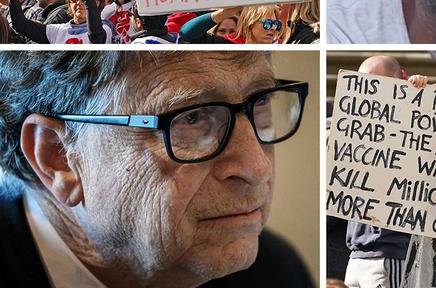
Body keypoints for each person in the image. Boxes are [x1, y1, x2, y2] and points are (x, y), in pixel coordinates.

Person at [0, 51, 314, 287]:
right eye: (191, 118)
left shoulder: (276, 272)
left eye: (260, 104)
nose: (257, 168)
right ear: (58, 157)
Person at [344, 55, 428, 288]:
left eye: (376, 84)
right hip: (356, 253)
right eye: (362, 84)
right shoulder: (356, 124)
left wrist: (417, 96)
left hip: (389, 254)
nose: (368, 91)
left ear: (399, 81)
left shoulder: (412, 119)